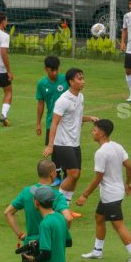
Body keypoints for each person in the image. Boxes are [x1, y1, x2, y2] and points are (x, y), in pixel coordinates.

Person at [75, 119, 131, 262]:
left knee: (118, 225)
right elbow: (129, 167)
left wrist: (84, 195)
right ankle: (97, 250)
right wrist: (128, 183)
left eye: (94, 130)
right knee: (99, 217)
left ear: (102, 133)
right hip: (113, 193)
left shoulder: (101, 153)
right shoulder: (117, 146)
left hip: (110, 195)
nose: (92, 132)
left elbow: (98, 178)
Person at [4, 160, 72, 262]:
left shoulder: (27, 192)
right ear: (52, 174)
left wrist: (21, 235)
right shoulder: (55, 196)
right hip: (50, 247)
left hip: (30, 245)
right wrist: (60, 234)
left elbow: (8, 213)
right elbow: (68, 217)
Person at [43, 68, 98, 218]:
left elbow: (77, 117)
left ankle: (65, 208)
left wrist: (90, 118)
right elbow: (54, 123)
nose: (83, 81)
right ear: (70, 82)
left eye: (83, 78)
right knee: (74, 173)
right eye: (79, 79)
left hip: (75, 143)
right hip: (62, 143)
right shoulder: (63, 101)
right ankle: (57, 204)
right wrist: (50, 145)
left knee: (75, 175)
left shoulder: (80, 97)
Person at [22, 187, 71, 262]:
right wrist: (41, 242)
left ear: (36, 202)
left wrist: (32, 258)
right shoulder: (60, 217)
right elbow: (68, 241)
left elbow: (45, 254)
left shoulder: (45, 224)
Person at [36, 56, 68, 186]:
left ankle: (66, 173)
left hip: (66, 122)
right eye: (51, 71)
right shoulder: (42, 84)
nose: (54, 73)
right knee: (53, 149)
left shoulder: (65, 80)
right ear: (45, 69)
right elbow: (40, 103)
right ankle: (56, 176)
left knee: (66, 147)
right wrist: (38, 123)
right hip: (51, 121)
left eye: (56, 70)